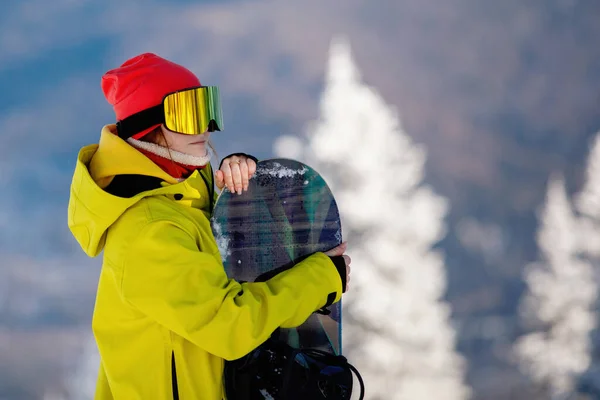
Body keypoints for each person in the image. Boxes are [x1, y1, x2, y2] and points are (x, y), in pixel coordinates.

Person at [67, 53, 351, 400]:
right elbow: (230, 326)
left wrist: (242, 187)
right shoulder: (150, 232)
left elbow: (216, 249)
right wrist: (322, 278)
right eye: (188, 115)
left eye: (206, 110)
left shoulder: (180, 193)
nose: (204, 128)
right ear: (148, 127)